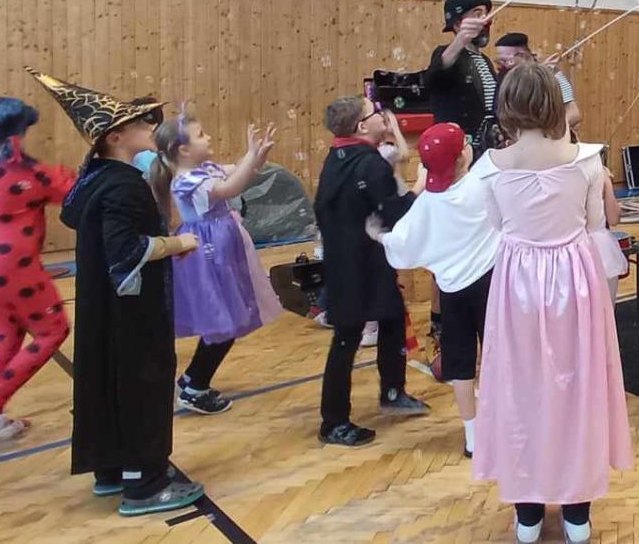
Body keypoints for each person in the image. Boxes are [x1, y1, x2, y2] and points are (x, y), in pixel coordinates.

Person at [33, 68, 205, 516]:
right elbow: (126, 249)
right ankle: (145, 483)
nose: (149, 126)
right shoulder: (125, 185)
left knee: (106, 377)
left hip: (102, 305)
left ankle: (111, 467)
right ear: (114, 137)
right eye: (139, 123)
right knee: (141, 382)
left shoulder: (94, 179)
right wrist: (177, 244)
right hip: (133, 309)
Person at [474, 63, 631, 544]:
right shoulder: (586, 161)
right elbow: (594, 224)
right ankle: (577, 513)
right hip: (574, 282)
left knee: (521, 388)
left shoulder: (489, 167)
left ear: (506, 105)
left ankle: (528, 513)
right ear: (553, 103)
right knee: (578, 387)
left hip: (518, 286)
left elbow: (498, 226)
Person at [0, 97, 75, 445]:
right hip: (12, 264)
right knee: (53, 331)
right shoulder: (22, 172)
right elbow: (72, 191)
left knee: (7, 337)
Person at [148, 108, 283, 416]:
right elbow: (230, 188)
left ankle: (192, 379)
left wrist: (256, 156)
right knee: (223, 320)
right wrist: (251, 156)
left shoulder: (204, 169)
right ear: (183, 150)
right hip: (209, 253)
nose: (208, 137)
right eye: (201, 135)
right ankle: (195, 386)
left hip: (222, 247)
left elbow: (238, 172)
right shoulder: (187, 181)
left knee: (226, 318)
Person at [380, 122, 500, 459]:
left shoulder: (428, 202)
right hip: (490, 286)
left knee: (459, 364)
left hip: (451, 291)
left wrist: (380, 236)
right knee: (498, 356)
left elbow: (401, 242)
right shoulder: (484, 182)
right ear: (463, 156)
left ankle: (472, 436)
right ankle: (504, 425)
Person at [314, 95, 426, 447]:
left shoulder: (338, 157)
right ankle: (333, 422)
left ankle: (393, 391)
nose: (382, 115)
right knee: (346, 339)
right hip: (357, 263)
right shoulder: (370, 165)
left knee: (391, 318)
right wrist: (422, 185)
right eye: (375, 112)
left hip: (352, 260)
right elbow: (398, 212)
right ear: (362, 126)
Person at [427, 0, 502, 156]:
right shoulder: (446, 54)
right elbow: (434, 77)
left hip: (484, 148)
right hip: (458, 150)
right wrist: (460, 40)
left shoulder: (485, 60)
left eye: (486, 14)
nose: (486, 20)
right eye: (478, 14)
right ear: (457, 24)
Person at [493, 32, 581, 135]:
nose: (501, 66)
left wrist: (548, 133)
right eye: (498, 61)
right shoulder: (504, 77)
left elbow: (574, 113)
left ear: (522, 56)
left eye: (505, 61)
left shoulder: (552, 75)